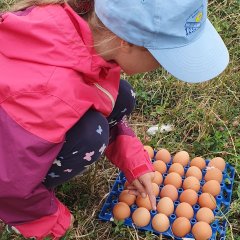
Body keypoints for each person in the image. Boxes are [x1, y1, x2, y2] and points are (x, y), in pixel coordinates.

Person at [0, 0, 229, 239]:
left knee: (122, 96)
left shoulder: (91, 36)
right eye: (161, 59)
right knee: (92, 136)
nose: (160, 68)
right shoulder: (50, 93)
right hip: (9, 156)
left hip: (31, 117)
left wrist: (133, 160)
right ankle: (27, 216)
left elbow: (100, 96)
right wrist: (46, 221)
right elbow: (8, 181)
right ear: (126, 42)